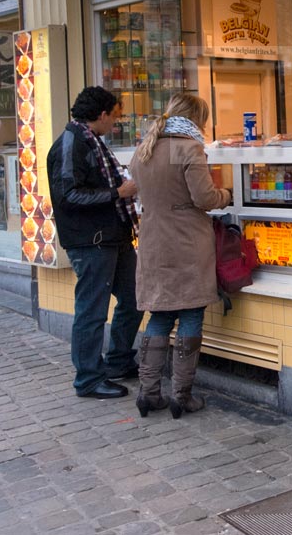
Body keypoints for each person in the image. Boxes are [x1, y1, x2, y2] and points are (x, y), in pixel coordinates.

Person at [129, 92, 232, 418]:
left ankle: (148, 393)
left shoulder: (146, 148)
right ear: (195, 118)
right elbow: (203, 197)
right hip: (186, 242)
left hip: (153, 241)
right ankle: (182, 396)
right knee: (190, 314)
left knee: (159, 315)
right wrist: (227, 195)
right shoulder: (187, 148)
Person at [47, 86, 141, 399]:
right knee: (92, 311)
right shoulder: (71, 144)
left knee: (135, 296)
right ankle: (88, 379)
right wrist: (118, 193)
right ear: (101, 115)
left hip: (113, 236)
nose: (116, 124)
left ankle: (118, 362)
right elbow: (69, 195)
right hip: (92, 242)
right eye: (114, 117)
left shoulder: (91, 142)